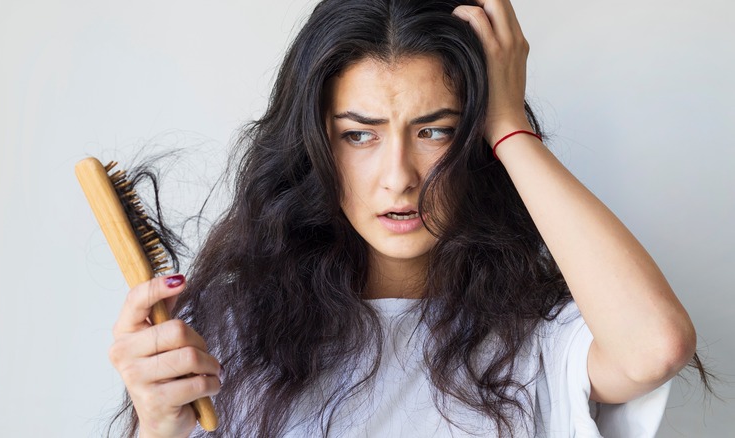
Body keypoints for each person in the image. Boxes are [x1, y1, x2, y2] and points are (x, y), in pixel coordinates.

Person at [106, 0, 704, 436]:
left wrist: (508, 122)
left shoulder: (542, 337)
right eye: (359, 135)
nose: (399, 177)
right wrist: (157, 427)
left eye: (435, 130)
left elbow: (655, 346)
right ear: (315, 145)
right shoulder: (227, 336)